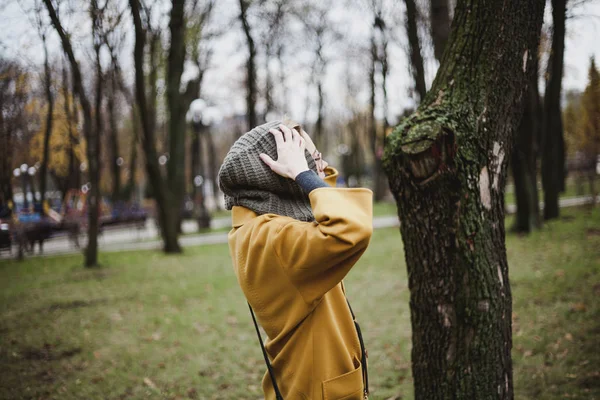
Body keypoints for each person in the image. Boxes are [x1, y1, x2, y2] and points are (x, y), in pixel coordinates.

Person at [219, 120, 373, 400]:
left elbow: (314, 213)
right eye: (313, 158)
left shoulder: (256, 226)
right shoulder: (273, 238)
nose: (322, 165)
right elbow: (351, 228)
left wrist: (307, 172)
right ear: (281, 173)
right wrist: (302, 173)